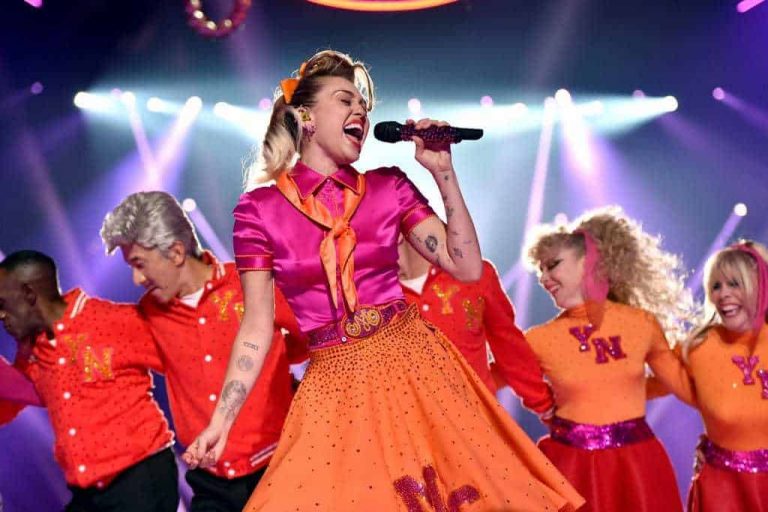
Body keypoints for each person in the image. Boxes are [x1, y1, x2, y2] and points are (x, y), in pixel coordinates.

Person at [183, 50, 583, 511]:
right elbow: (256, 327)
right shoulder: (259, 211)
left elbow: (467, 268)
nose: (360, 110)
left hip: (414, 364)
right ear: (306, 118)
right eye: (345, 100)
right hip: (335, 385)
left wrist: (443, 172)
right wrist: (222, 421)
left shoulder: (389, 186)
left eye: (363, 104)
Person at [100, 190, 306, 511]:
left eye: (139, 264)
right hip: (212, 484)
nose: (136, 278)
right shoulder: (148, 316)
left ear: (176, 252)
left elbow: (307, 341)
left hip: (283, 467)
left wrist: (275, 366)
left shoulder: (250, 284)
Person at [524, 206, 695, 512]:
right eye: (540, 270)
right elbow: (487, 381)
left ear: (591, 261)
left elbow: (681, 386)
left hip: (636, 466)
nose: (544, 278)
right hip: (572, 466)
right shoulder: (539, 339)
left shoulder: (640, 324)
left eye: (553, 265)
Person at [0, 250, 178, 512]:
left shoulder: (110, 321)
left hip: (139, 479)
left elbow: (186, 359)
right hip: (90, 493)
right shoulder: (33, 351)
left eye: (3, 304)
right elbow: (7, 403)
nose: (1, 315)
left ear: (28, 294)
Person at [398, 234, 554, 414]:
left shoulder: (473, 274)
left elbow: (508, 346)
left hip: (476, 420)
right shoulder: (372, 294)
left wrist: (544, 404)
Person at [680, 241, 768, 511]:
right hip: (722, 490)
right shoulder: (700, 347)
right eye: (716, 286)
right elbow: (644, 382)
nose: (723, 294)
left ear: (759, 287)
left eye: (734, 284)